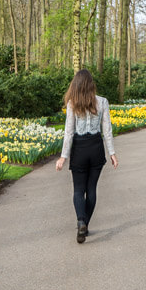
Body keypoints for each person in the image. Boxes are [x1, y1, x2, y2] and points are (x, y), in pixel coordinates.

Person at [56, 69, 118, 243]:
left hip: (80, 150)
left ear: (75, 85)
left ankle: (81, 221)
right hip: (96, 148)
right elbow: (107, 130)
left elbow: (69, 132)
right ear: (92, 84)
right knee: (91, 190)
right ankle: (84, 226)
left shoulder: (72, 103)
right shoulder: (103, 102)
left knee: (78, 190)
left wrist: (63, 157)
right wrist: (112, 153)